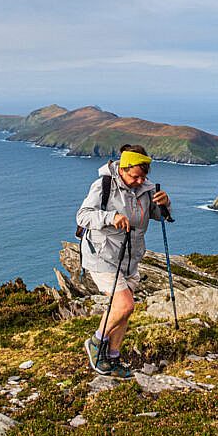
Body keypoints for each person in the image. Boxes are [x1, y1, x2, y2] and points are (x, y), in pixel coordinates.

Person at [77, 145, 171, 379]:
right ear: (122, 169)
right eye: (135, 176)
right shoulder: (103, 185)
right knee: (125, 305)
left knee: (124, 312)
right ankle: (96, 343)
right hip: (103, 256)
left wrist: (165, 205)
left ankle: (113, 358)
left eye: (143, 176)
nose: (140, 181)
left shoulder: (147, 189)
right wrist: (112, 217)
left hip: (130, 258)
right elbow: (83, 215)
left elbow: (158, 217)